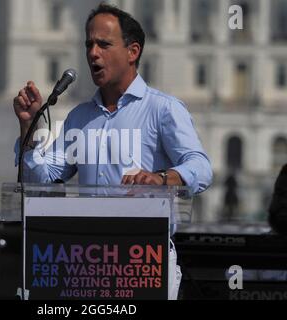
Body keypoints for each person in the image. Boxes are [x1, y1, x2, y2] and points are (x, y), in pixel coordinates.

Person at [13, 3, 213, 300]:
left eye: (104, 44)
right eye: (89, 44)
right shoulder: (80, 117)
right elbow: (41, 179)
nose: (93, 53)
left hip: (144, 263)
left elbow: (201, 167)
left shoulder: (163, 109)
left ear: (133, 52)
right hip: (86, 265)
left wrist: (161, 178)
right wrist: (28, 129)